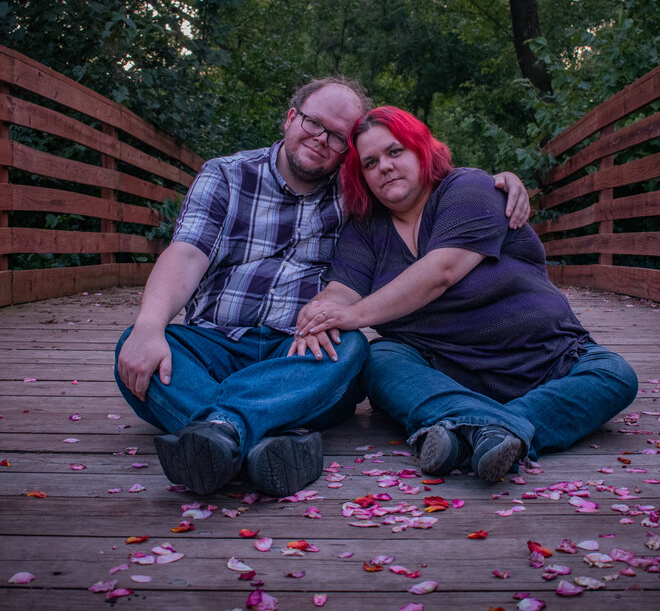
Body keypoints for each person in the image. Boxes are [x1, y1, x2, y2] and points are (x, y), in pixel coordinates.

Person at [115, 79, 532, 497]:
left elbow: (421, 182)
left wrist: (498, 183)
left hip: (301, 353)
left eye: (336, 137)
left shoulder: (358, 192)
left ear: (348, 152)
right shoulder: (226, 174)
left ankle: (219, 434)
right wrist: (149, 326)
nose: (321, 139)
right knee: (136, 348)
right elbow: (186, 254)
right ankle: (258, 443)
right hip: (215, 343)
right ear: (290, 118)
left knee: (352, 348)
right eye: (314, 123)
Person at [291, 106, 638, 483]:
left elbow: (442, 271)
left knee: (614, 375)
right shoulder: (365, 229)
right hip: (444, 369)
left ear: (421, 150)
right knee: (379, 359)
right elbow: (342, 290)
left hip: (546, 357)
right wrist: (321, 312)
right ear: (362, 177)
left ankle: (466, 431)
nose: (384, 167)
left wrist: (355, 316)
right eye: (370, 163)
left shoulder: (469, 187)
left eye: (395, 151)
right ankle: (491, 433)